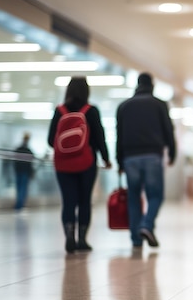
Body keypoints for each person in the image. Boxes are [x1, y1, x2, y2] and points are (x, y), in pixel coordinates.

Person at [48, 77, 112, 253]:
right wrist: (106, 158)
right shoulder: (91, 111)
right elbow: (100, 137)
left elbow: (50, 140)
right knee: (84, 201)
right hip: (86, 162)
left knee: (68, 201)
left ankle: (69, 235)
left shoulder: (59, 111)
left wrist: (66, 149)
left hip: (63, 165)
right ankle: (82, 239)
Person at [116, 72, 176, 249]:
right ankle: (146, 225)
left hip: (130, 157)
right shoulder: (159, 104)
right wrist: (172, 152)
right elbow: (168, 130)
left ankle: (136, 238)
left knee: (133, 197)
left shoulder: (124, 106)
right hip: (152, 156)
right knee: (155, 195)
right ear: (152, 85)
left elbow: (119, 135)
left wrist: (119, 161)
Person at [13, 132, 35, 210]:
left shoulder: (18, 149)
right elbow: (30, 163)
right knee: (23, 188)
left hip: (19, 170)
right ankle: (20, 204)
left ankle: (18, 204)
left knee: (19, 187)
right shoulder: (28, 150)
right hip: (24, 171)